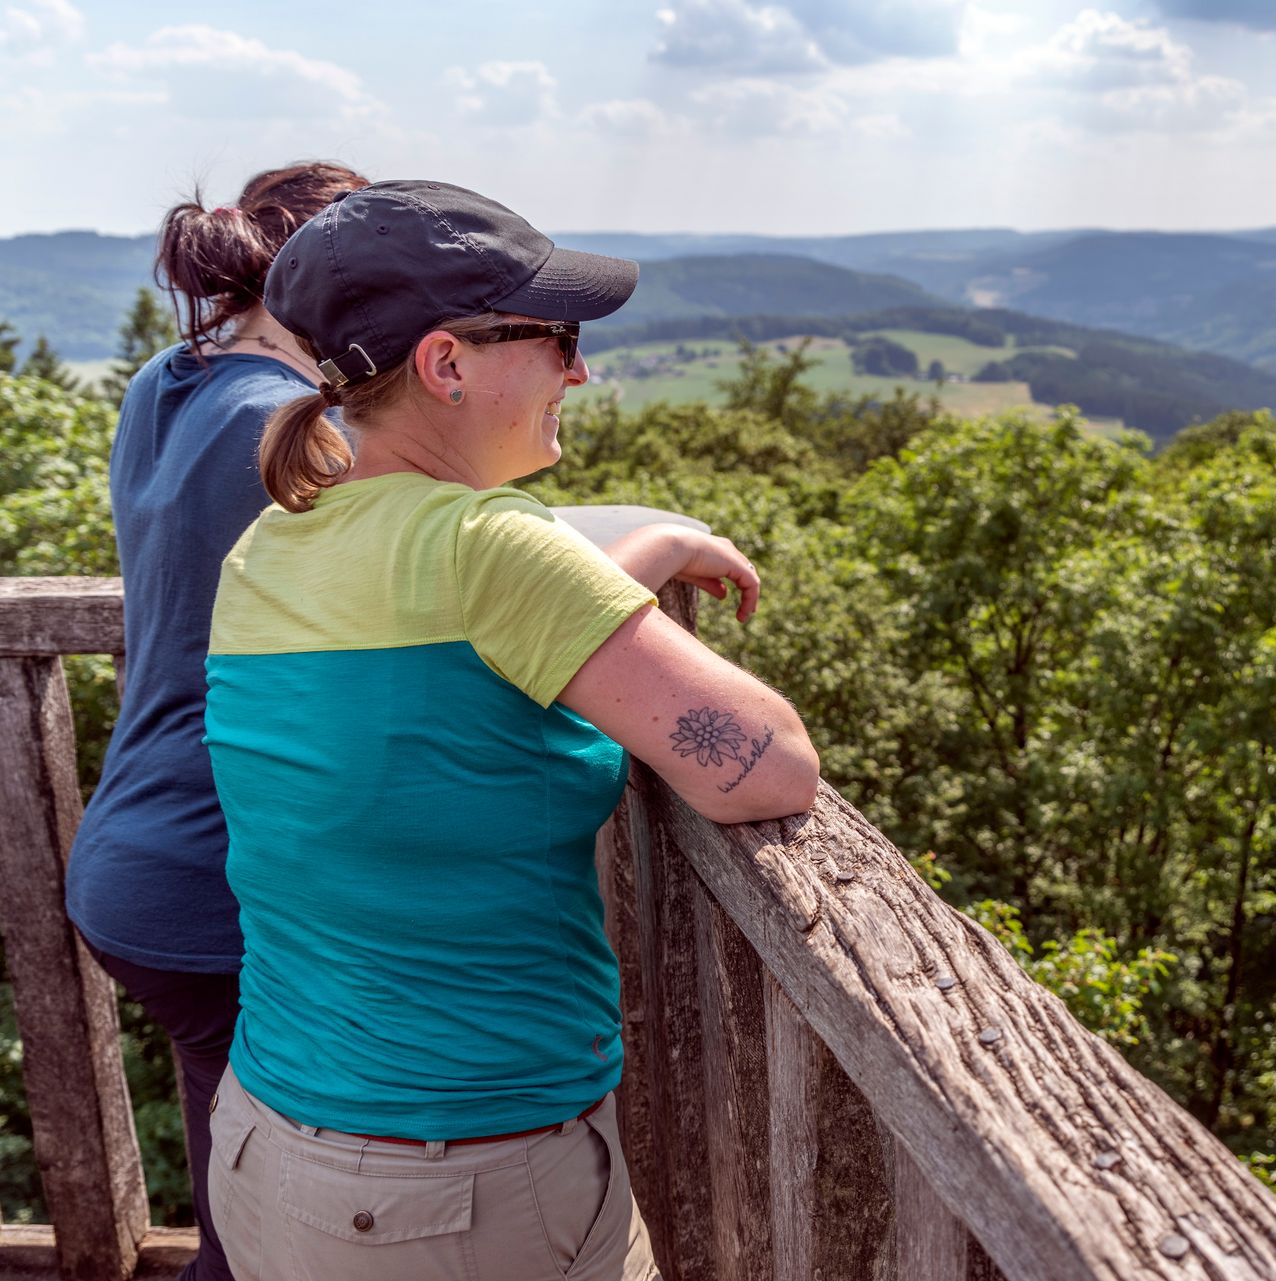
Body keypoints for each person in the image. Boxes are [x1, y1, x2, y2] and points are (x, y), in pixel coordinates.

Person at [199, 180, 820, 1281]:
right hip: (457, 1194)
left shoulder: (274, 547)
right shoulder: (488, 546)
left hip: (269, 1146)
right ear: (447, 365)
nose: (577, 371)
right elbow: (767, 769)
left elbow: (470, 645)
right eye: (557, 339)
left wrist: (645, 555)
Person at [64, 160, 369, 1281]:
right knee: (281, 1236)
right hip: (217, 880)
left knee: (241, 1212)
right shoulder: (290, 430)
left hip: (136, 854)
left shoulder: (168, 379)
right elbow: (449, 567)